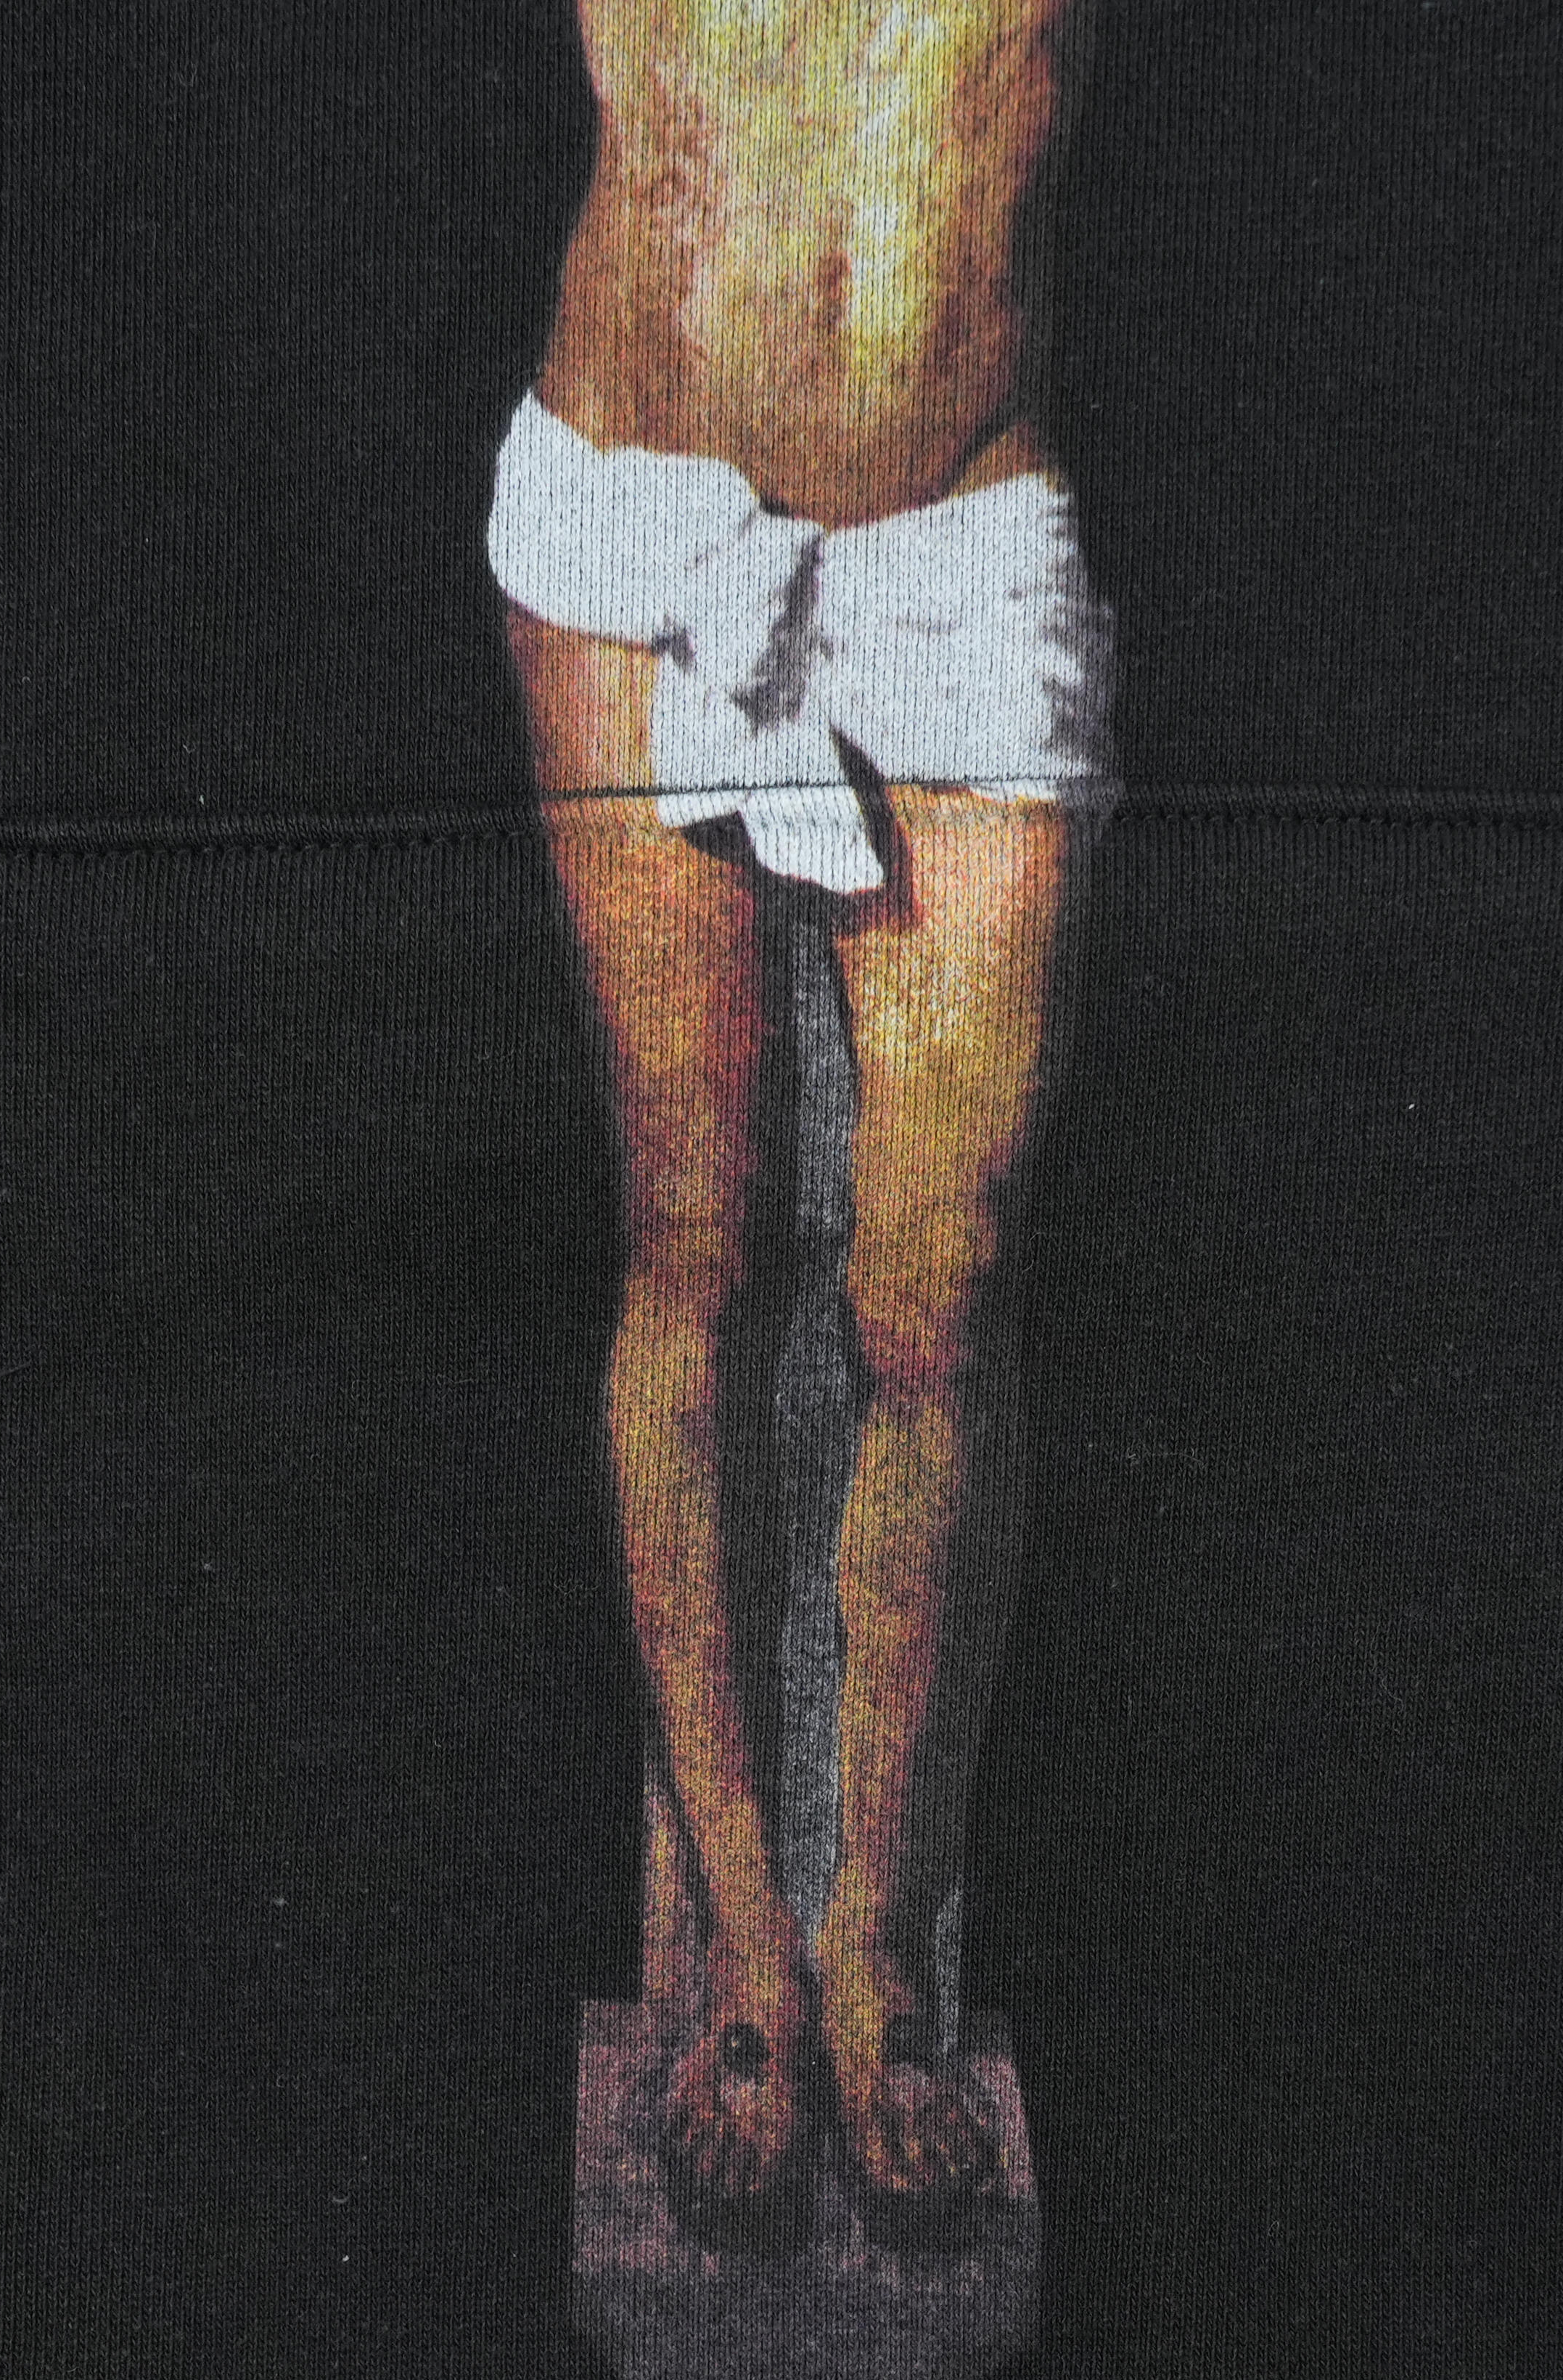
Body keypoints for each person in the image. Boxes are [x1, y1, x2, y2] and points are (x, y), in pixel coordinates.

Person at [489, 0, 1116, 2244]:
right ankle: (748, 1946)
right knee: (698, 1241)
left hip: (957, 551)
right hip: (638, 522)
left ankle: (877, 1941)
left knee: (939, 1291)